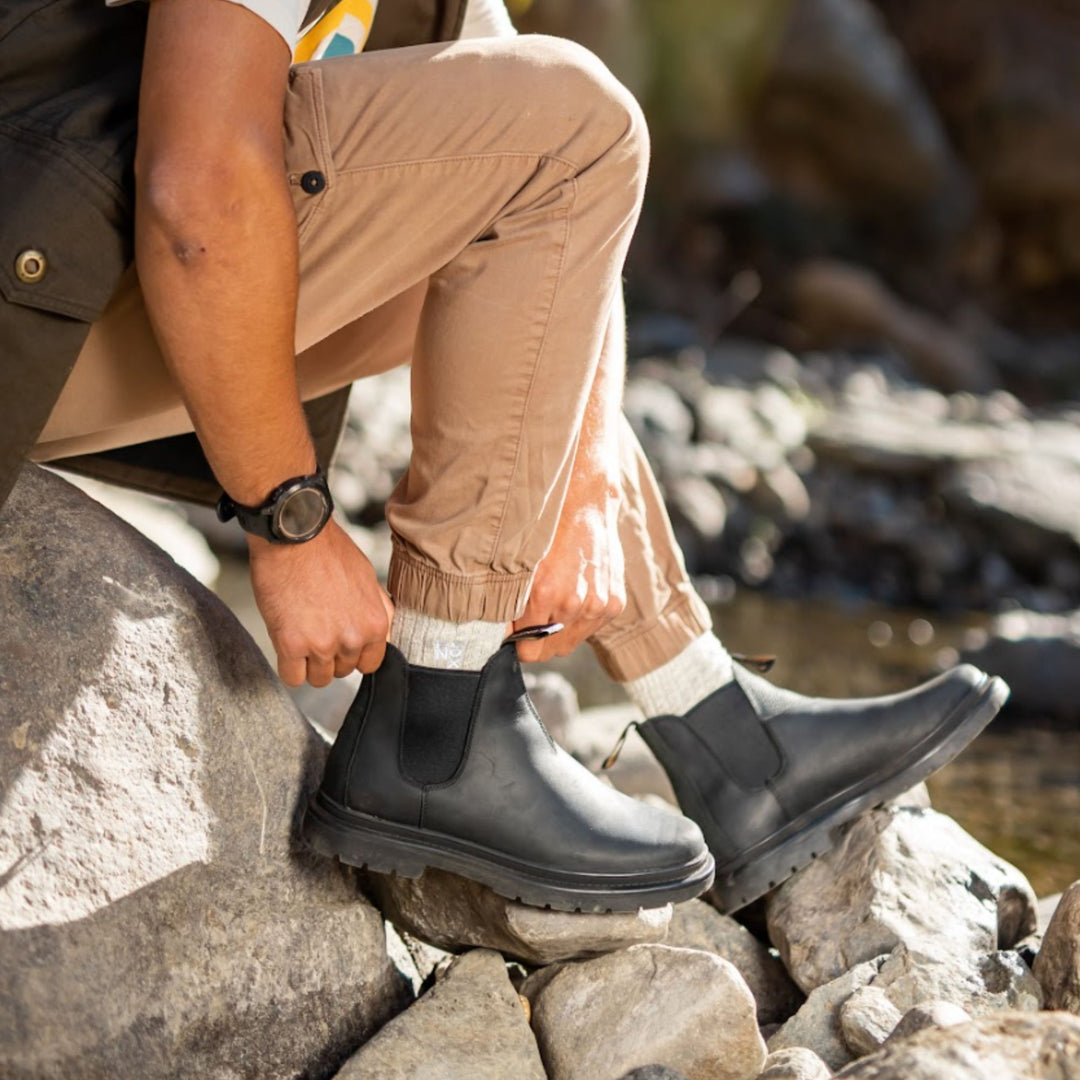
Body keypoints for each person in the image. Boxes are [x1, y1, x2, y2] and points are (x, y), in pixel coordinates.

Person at [3, 0, 1007, 915]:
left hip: (70, 282)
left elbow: (558, 202)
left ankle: (720, 734)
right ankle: (440, 724)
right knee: (568, 120)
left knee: (541, 140)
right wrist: (289, 516)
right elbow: (197, 187)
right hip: (37, 288)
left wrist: (590, 478)